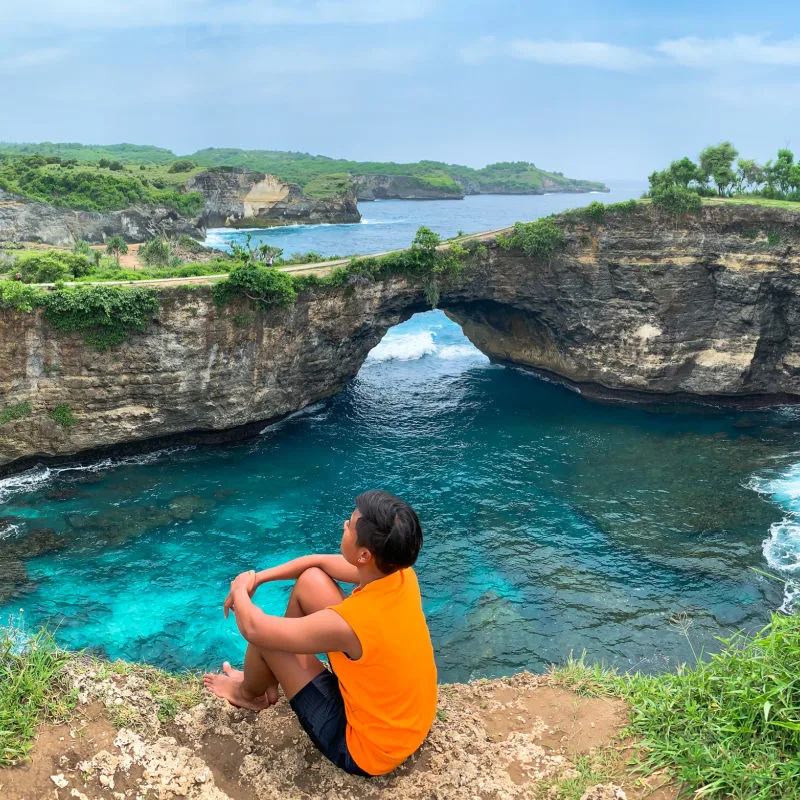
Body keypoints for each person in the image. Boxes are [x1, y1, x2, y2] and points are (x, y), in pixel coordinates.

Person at [204, 490, 437, 777]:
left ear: (364, 555)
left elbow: (254, 628)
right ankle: (269, 674)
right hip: (406, 723)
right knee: (310, 581)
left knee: (268, 638)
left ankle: (249, 694)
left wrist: (240, 587)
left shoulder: (349, 623)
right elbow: (316, 563)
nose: (344, 525)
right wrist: (260, 578)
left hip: (366, 749)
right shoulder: (400, 575)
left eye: (350, 525)